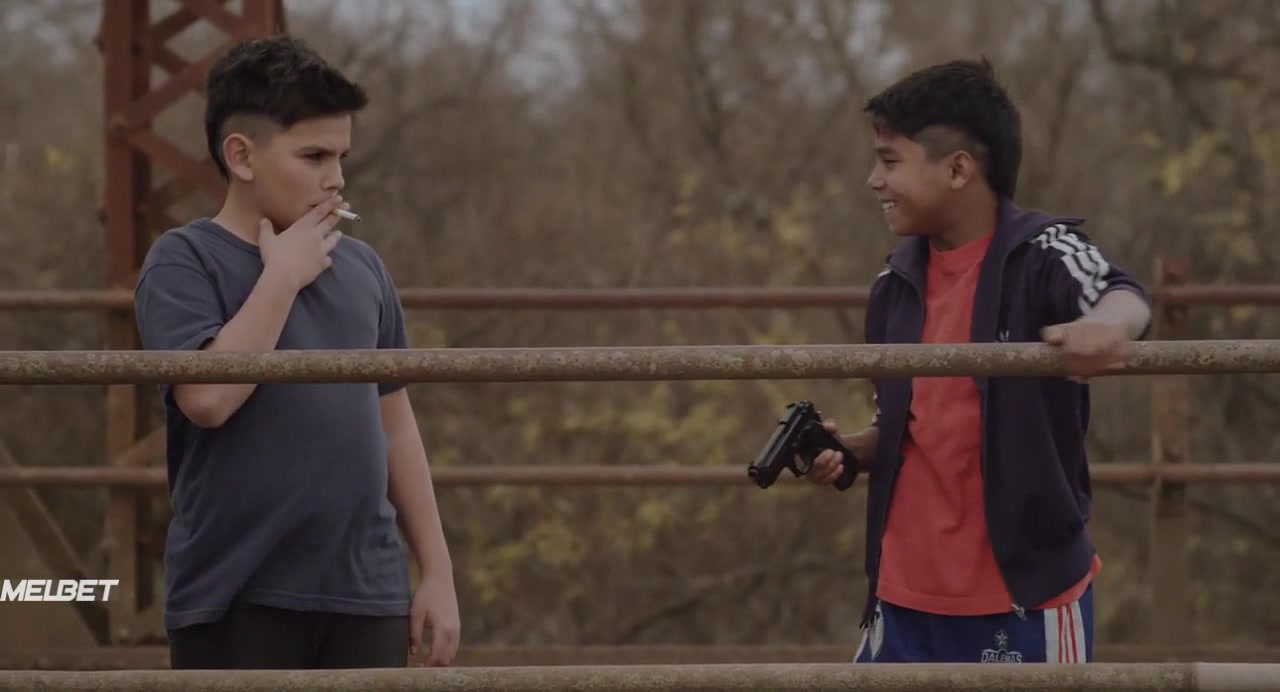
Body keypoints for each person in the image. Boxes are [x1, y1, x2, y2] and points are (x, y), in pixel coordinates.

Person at [805, 58, 1152, 664]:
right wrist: (849, 451)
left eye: (890, 162)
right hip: (901, 599)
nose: (874, 181)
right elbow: (910, 425)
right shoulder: (894, 284)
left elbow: (1121, 294)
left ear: (958, 169)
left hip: (1021, 601)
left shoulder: (1043, 254)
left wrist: (1107, 327)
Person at [133, 35, 460, 669]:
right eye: (313, 156)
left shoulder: (363, 267)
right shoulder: (182, 260)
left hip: (367, 594)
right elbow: (207, 398)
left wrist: (438, 572)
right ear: (241, 156)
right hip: (235, 594)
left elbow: (395, 424)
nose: (335, 178)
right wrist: (281, 277)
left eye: (340, 156)